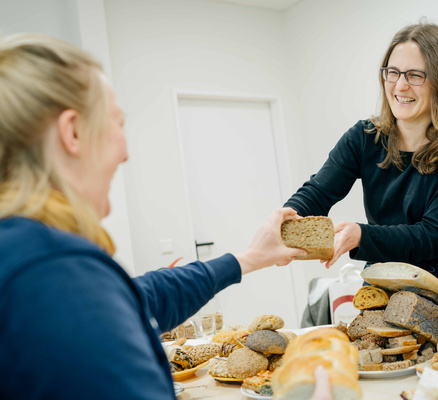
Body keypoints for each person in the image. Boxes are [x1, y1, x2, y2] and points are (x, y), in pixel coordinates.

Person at [0, 34, 331, 399]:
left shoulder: (21, 255)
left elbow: (140, 297)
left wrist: (249, 258)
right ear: (73, 132)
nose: (125, 152)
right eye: (117, 124)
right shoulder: (55, 273)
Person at [284, 22, 438, 294]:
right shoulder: (364, 137)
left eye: (415, 75)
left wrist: (362, 235)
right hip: (383, 275)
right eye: (393, 72)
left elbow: (433, 235)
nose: (400, 85)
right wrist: (287, 219)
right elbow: (318, 193)